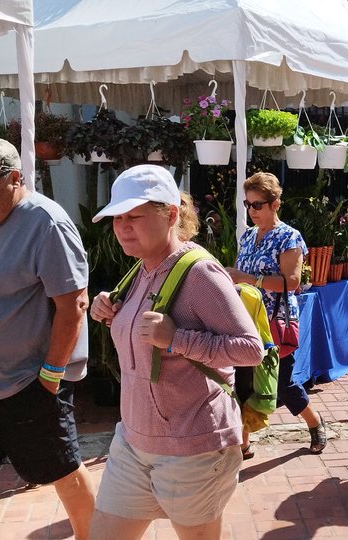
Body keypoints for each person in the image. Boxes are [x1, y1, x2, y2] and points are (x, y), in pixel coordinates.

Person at [88, 165, 264, 540]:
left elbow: (250, 350)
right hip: (133, 444)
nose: (123, 226)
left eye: (134, 216)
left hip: (193, 450)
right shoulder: (140, 269)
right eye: (117, 218)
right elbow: (142, 331)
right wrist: (108, 307)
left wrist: (177, 339)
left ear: (170, 215)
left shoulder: (200, 272)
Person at [0, 137, 96, 539]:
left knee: (64, 471)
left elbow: (73, 305)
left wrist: (50, 375)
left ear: (14, 178)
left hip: (26, 381)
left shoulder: (46, 222)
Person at [226, 172, 327, 456]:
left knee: (282, 384)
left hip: (275, 320)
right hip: (246, 320)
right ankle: (243, 444)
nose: (252, 210)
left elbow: (291, 282)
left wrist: (247, 278)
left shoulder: (288, 237)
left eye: (258, 204)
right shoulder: (247, 236)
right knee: (243, 380)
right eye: (248, 204)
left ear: (275, 204)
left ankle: (315, 422)